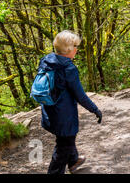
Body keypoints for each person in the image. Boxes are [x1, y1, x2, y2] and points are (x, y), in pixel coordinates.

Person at [37, 30, 102, 174]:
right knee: (62, 148)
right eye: (75, 46)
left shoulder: (46, 60)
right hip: (63, 116)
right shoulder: (68, 69)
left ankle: (73, 161)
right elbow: (81, 96)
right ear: (68, 50)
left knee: (65, 138)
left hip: (50, 111)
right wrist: (95, 110)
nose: (77, 49)